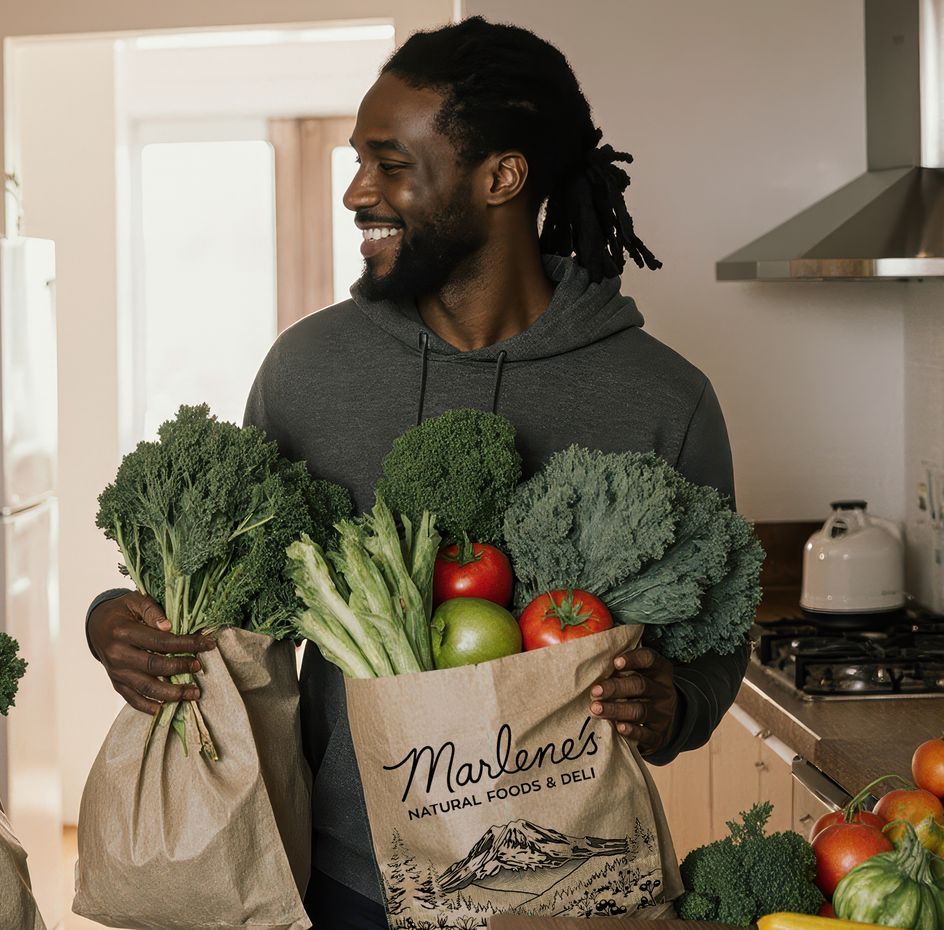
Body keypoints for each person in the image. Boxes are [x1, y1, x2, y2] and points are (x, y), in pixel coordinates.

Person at [84, 18, 746, 930]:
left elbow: (714, 649)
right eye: (359, 161)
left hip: (571, 885)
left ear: (501, 177)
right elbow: (243, 605)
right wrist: (117, 621)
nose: (359, 191)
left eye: (391, 164)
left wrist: (676, 705)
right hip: (344, 878)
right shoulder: (307, 372)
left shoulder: (662, 397)